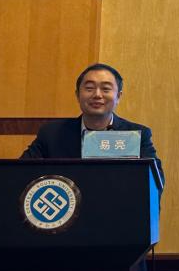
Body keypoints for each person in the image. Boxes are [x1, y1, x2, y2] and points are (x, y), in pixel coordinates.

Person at [20, 63, 164, 189]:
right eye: (89, 88)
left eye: (106, 89)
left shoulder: (136, 135)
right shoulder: (52, 134)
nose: (97, 95)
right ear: (77, 95)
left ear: (118, 96)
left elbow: (154, 183)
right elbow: (21, 174)